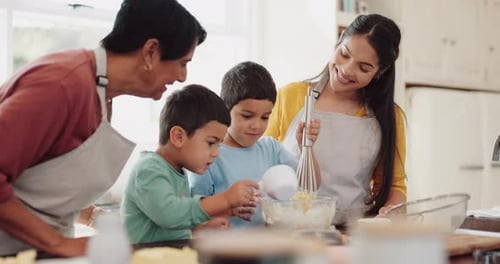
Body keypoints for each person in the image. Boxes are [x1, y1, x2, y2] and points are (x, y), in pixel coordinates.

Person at [0, 0, 206, 257]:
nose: (182, 77)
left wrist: (94, 219)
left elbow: (46, 185)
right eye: (183, 63)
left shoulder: (102, 95)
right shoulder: (61, 85)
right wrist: (57, 243)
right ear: (151, 51)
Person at [265, 14, 407, 225]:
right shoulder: (289, 97)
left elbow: (394, 185)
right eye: (344, 54)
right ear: (340, 39)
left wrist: (392, 212)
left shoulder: (388, 117)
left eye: (364, 68)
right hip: (291, 227)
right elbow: (263, 163)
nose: (347, 70)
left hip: (354, 230)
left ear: (380, 72)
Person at [121, 84, 259, 243]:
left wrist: (200, 228)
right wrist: (225, 200)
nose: (216, 152)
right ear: (178, 137)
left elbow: (171, 228)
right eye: (210, 143)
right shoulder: (148, 169)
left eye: (218, 145)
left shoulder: (177, 171)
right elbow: (169, 215)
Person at [189, 61, 321, 228]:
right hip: (228, 248)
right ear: (225, 109)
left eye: (265, 117)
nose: (257, 125)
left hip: (268, 248)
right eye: (247, 116)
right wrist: (225, 209)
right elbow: (194, 211)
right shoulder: (209, 156)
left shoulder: (272, 149)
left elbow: (310, 185)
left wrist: (306, 149)